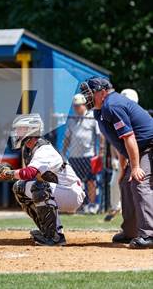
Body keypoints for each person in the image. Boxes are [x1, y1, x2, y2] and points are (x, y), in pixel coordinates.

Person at [80, 77, 153, 249]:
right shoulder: (100, 110)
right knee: (126, 184)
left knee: (138, 181)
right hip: (138, 148)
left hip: (149, 146)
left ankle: (149, 235)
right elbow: (120, 143)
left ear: (102, 92)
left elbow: (129, 137)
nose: (86, 97)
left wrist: (135, 167)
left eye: (90, 93)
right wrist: (124, 169)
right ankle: (131, 232)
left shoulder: (112, 105)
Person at [0, 114, 85, 246]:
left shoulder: (44, 149)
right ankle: (47, 230)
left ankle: (55, 237)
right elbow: (27, 176)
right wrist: (11, 173)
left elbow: (30, 173)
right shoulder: (28, 149)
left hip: (72, 193)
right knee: (19, 187)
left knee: (39, 187)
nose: (17, 132)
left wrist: (9, 173)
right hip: (59, 190)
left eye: (21, 129)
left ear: (32, 130)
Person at [62, 94, 104, 214]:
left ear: (84, 105)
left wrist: (100, 151)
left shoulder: (92, 117)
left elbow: (100, 135)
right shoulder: (71, 119)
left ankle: (91, 205)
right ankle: (78, 205)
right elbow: (67, 138)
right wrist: (64, 153)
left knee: (91, 181)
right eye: (75, 106)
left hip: (88, 155)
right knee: (76, 182)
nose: (76, 108)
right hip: (74, 156)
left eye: (78, 105)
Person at [104, 88, 139, 222]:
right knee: (115, 183)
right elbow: (116, 142)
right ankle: (117, 208)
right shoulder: (117, 115)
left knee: (134, 185)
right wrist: (115, 158)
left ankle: (133, 214)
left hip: (135, 157)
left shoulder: (137, 117)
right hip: (122, 157)